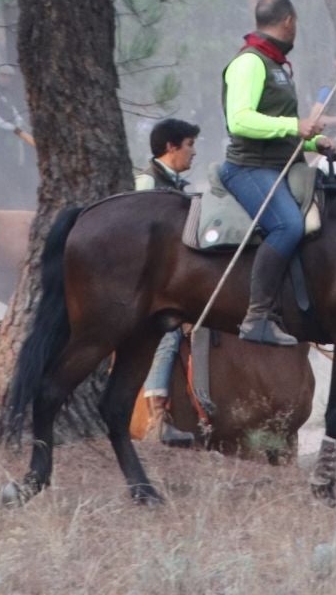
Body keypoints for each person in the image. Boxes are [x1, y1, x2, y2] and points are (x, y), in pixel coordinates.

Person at [218, 0, 336, 347]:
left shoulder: (276, 65)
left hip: (282, 164)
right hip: (249, 168)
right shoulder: (250, 63)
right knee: (287, 225)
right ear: (289, 21)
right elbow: (240, 121)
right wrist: (293, 126)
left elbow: (278, 126)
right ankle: (258, 317)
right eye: (296, 22)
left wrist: (314, 143)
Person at [136, 118, 201, 446]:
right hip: (150, 285)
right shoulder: (146, 184)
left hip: (174, 280)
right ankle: (158, 416)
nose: (194, 152)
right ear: (170, 147)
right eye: (189, 145)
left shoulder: (178, 186)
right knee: (167, 334)